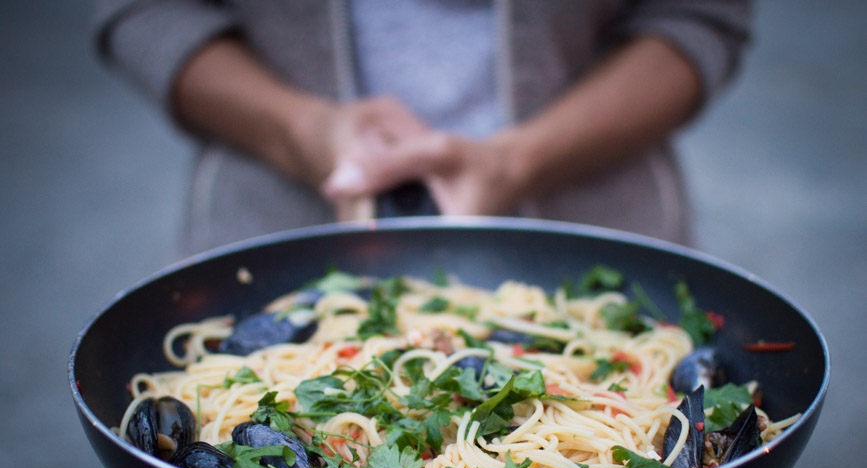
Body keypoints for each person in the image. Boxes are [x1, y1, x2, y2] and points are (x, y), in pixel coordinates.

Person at [93, 1, 751, 255]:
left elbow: (697, 16)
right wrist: (303, 132)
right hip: (268, 242)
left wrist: (518, 162)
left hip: (602, 248)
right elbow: (144, 10)